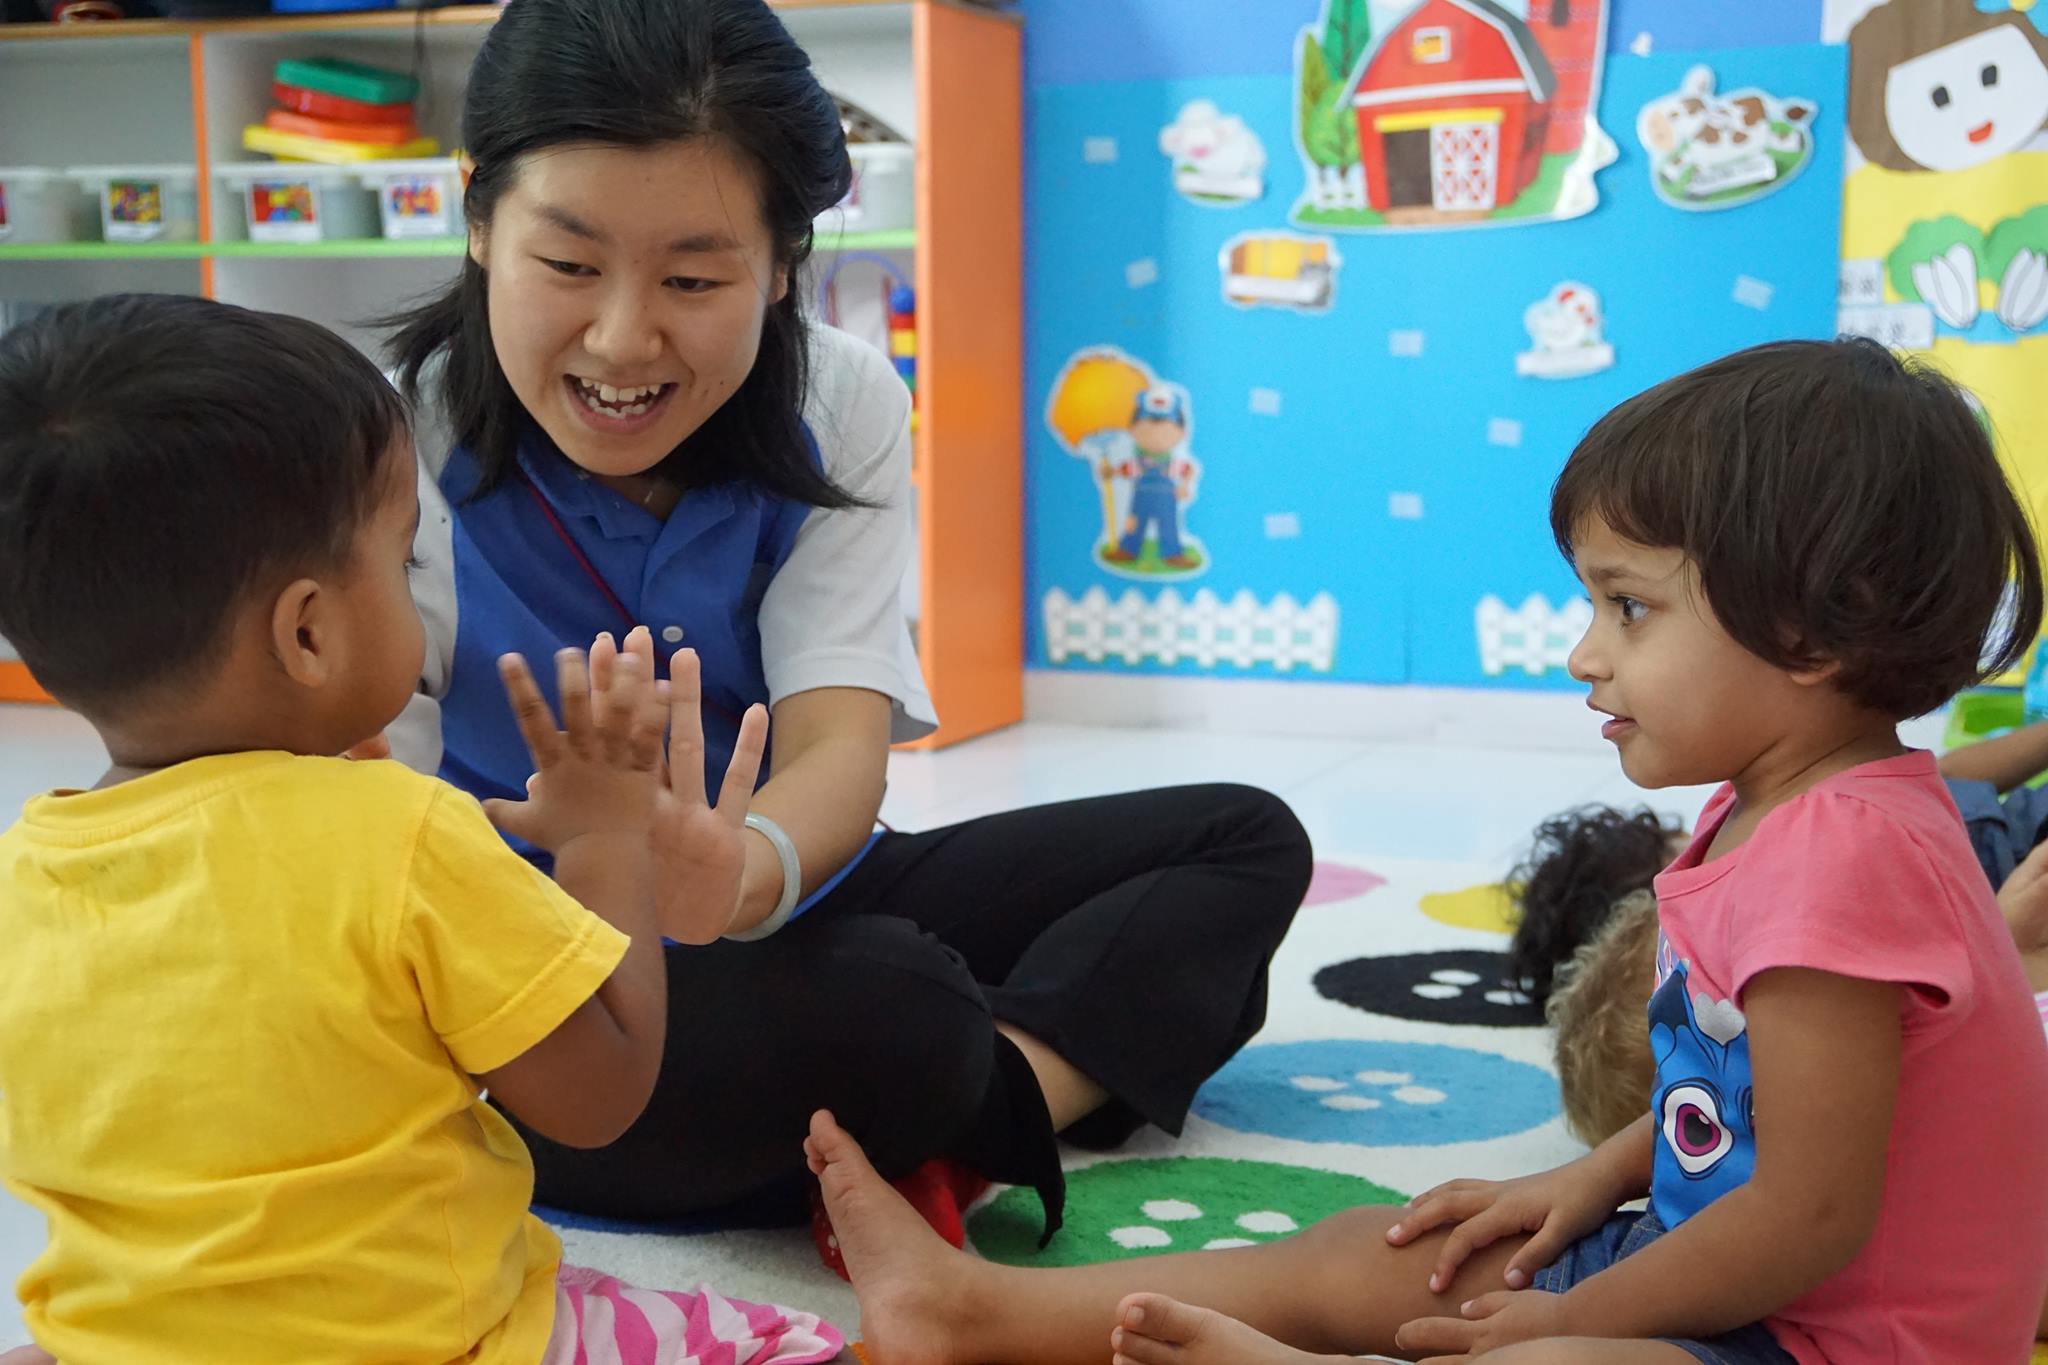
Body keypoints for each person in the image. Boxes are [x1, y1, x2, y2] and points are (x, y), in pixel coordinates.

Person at [802, 337, 2048, 1365]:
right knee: (1379, 1250)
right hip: (1736, 1271)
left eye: (1628, 607)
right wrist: (1584, 1189)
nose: (1582, 652)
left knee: (1554, 1362)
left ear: (1814, 631)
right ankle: (972, 1315)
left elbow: (1808, 1218)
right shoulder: (1783, 806)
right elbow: (1741, 1114)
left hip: (1845, 1339)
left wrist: (1569, 1316)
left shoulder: (1849, 856)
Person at [382, 0, 1310, 1249]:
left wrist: (745, 873)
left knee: (1239, 841)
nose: (619, 337)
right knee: (897, 1000)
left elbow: (836, 746)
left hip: (783, 881)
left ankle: (991, 1096)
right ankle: (954, 1090)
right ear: (478, 219)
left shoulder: (843, 398)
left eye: (694, 279)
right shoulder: (390, 442)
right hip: (546, 993)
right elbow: (363, 805)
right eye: (567, 265)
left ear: (780, 264)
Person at [0, 295, 838, 1364]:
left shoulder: (21, 882)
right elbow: (600, 1095)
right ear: (308, 632)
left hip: (120, 1346)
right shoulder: (401, 835)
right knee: (789, 1344)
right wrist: (603, 842)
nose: (416, 585)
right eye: (403, 563)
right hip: (438, 1341)